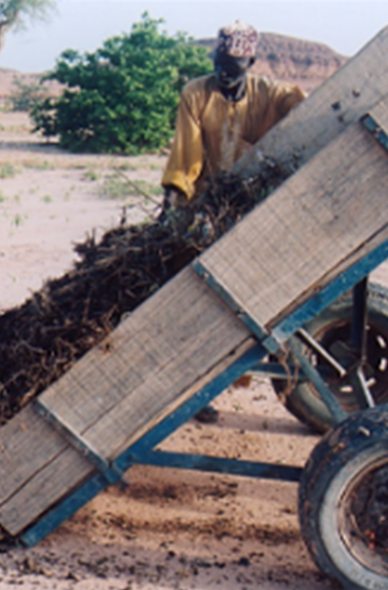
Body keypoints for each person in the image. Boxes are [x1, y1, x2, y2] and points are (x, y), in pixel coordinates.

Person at [160, 21, 306, 422]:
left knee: (240, 303)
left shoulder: (270, 95)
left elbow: (306, 113)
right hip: (206, 205)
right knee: (194, 301)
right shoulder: (196, 93)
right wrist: (175, 202)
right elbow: (185, 156)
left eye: (235, 64)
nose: (226, 71)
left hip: (250, 208)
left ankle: (223, 380)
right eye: (221, 62)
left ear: (250, 62)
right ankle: (196, 393)